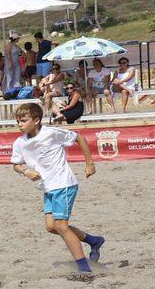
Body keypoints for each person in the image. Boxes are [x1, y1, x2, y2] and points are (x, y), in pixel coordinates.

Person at [10, 102, 103, 274]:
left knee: (61, 226)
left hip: (64, 184)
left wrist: (90, 164)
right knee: (51, 227)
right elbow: (15, 164)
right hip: (48, 187)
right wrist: (25, 171)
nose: (20, 124)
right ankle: (93, 241)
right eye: (18, 121)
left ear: (36, 120)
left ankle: (84, 268)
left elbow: (79, 138)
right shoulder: (19, 142)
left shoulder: (51, 133)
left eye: (23, 120)